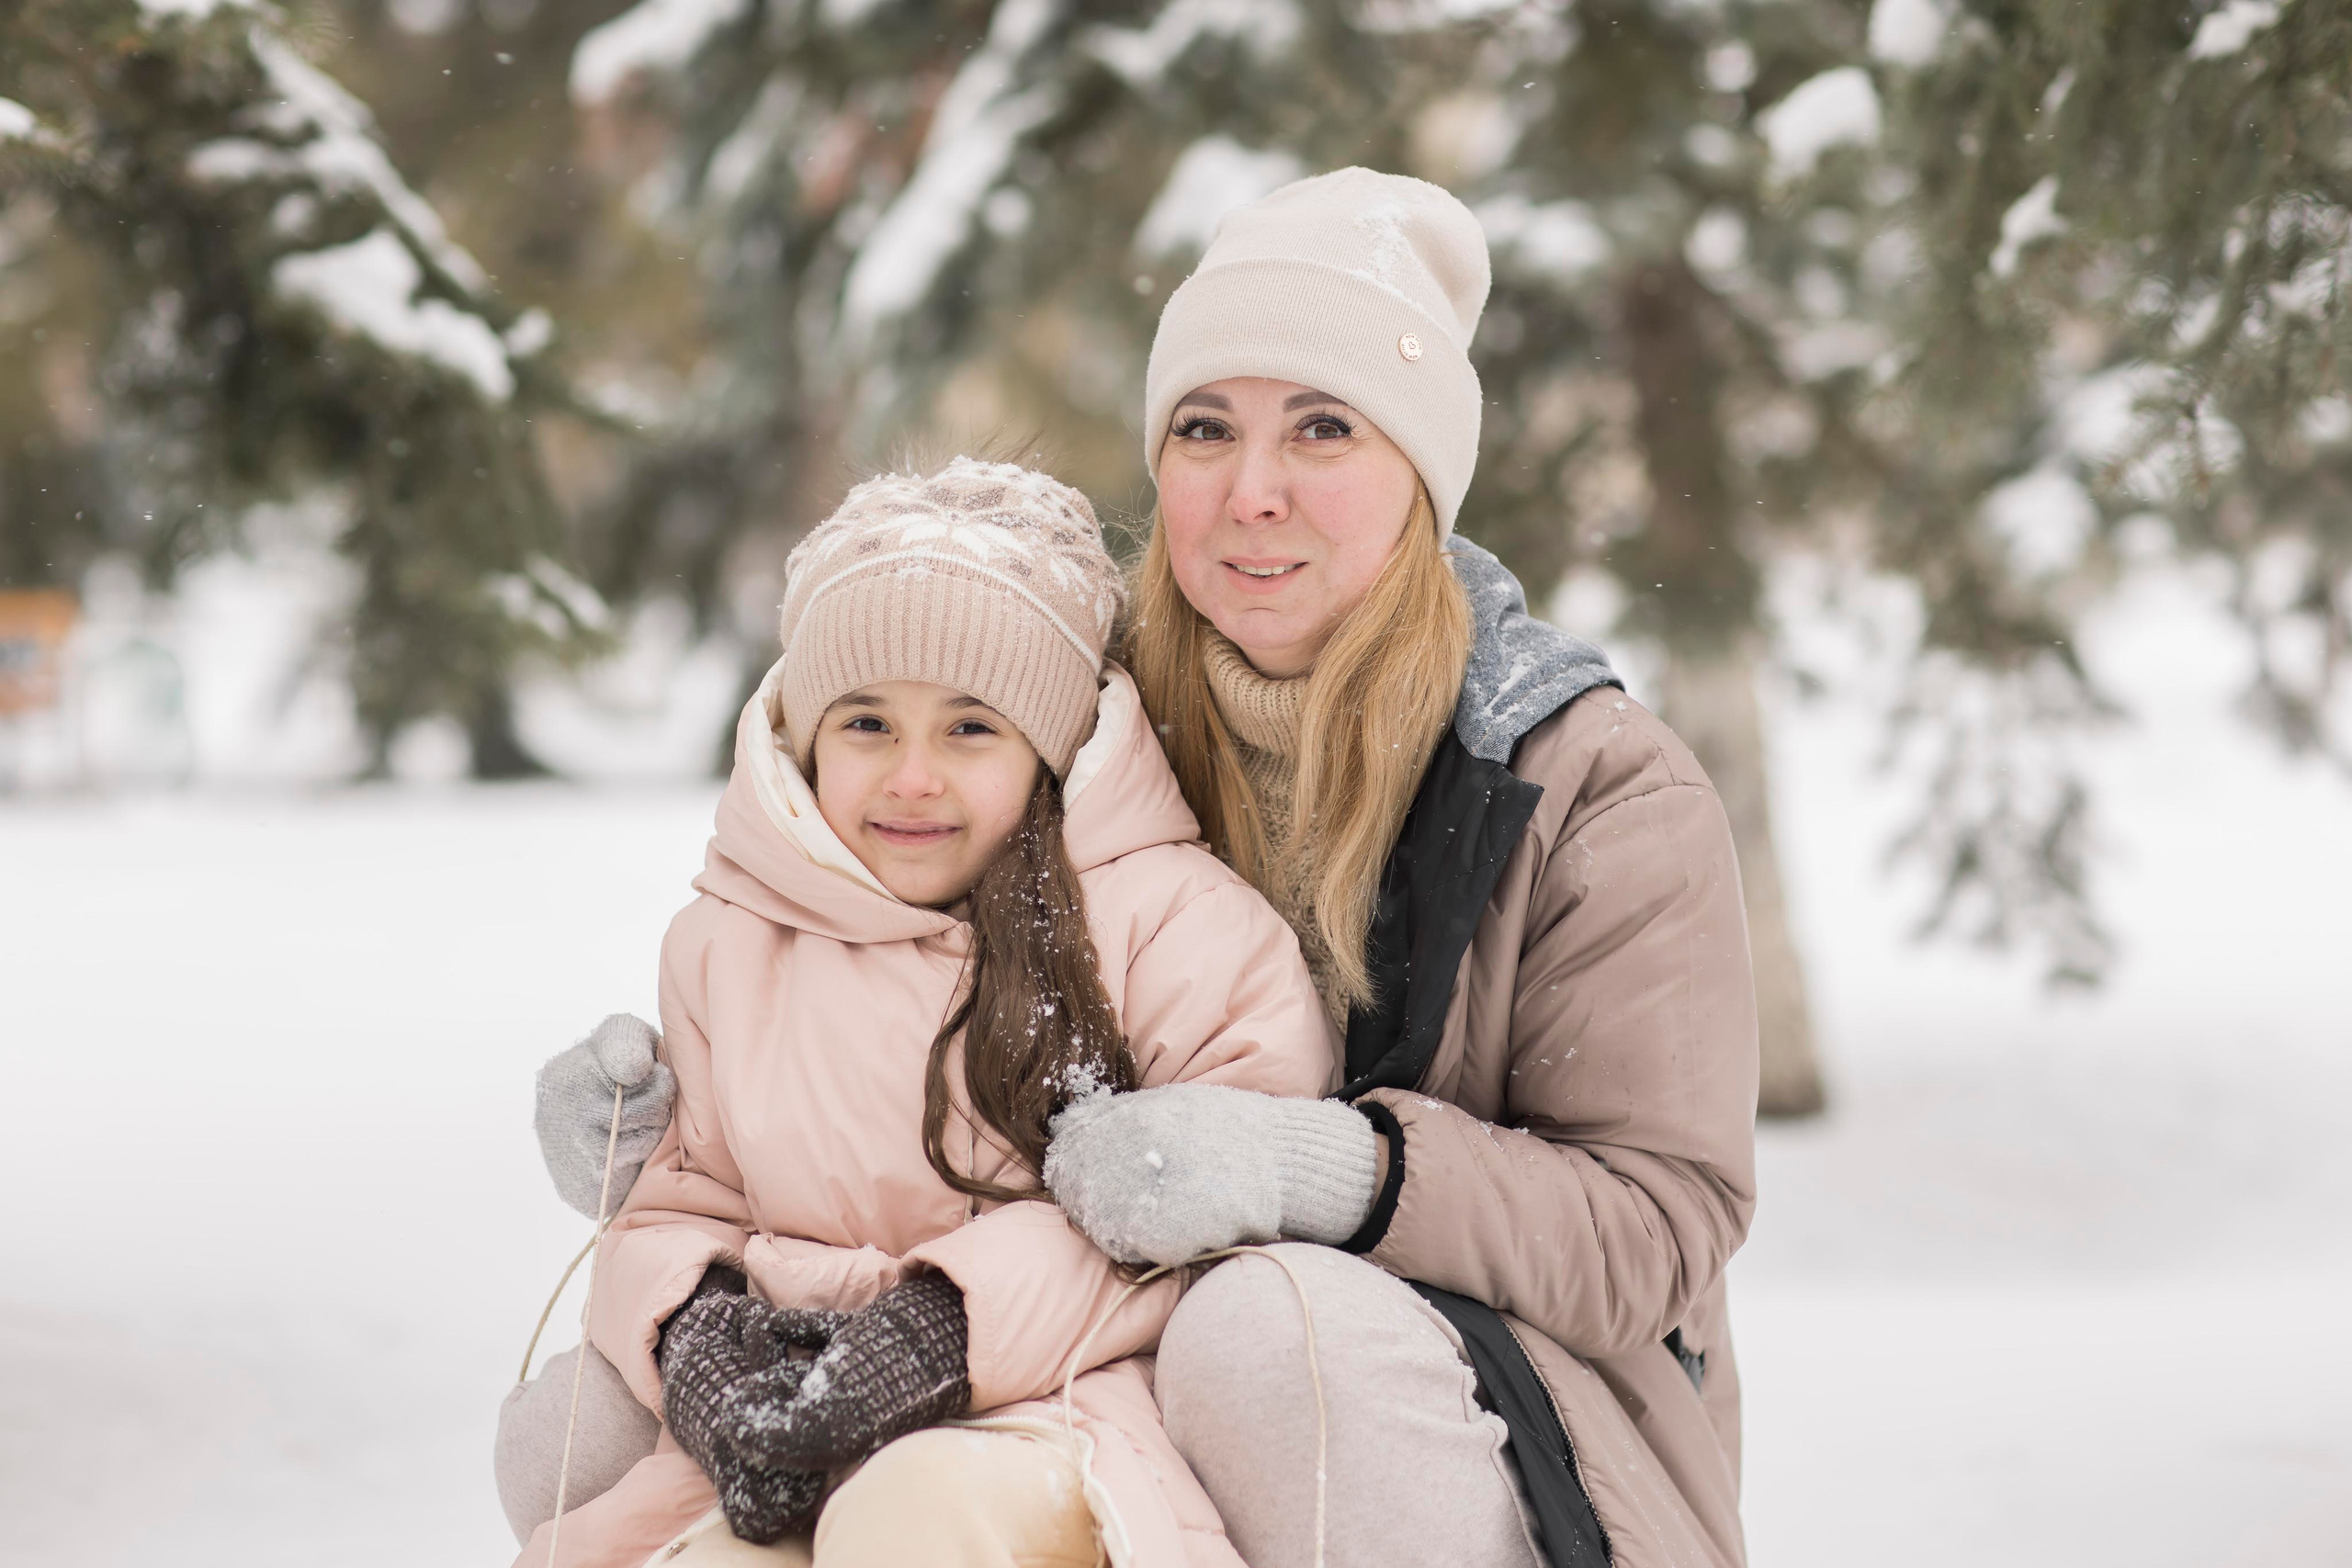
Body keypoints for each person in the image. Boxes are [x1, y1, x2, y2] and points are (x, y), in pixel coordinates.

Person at [529, 167, 1761, 1568]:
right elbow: (888, 993)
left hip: (1498, 1402)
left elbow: (1662, 1222)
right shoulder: (1064, 715)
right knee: (582, 1421)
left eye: (1322, 429)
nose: (1252, 492)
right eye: (1204, 429)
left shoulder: (1587, 786)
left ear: (1419, 473)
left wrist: (1328, 1170)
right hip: (1094, 1339)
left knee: (1261, 1329)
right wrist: (674, 1128)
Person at [505, 457, 1340, 1568]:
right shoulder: (728, 942)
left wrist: (939, 1332)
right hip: (786, 1401)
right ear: (804, 738)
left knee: (913, 1519)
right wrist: (698, 1336)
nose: (910, 778)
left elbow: (1214, 1214)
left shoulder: (1169, 925)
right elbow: (680, 1199)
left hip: (1062, 1411)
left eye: (969, 730)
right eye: (866, 725)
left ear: (1048, 750)